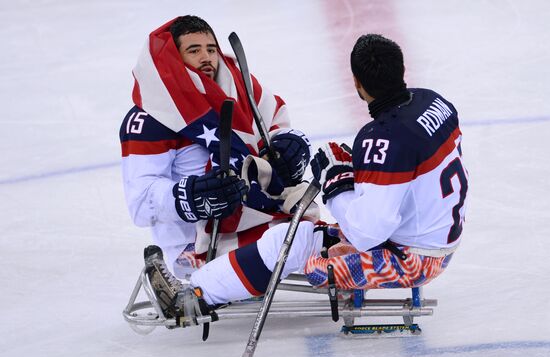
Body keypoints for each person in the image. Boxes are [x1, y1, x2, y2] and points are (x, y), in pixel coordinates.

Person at [143, 33, 468, 329]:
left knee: (313, 264)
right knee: (290, 237)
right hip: (424, 236)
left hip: (412, 258)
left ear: (356, 82)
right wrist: (357, 166)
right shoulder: (431, 101)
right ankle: (196, 293)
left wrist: (336, 180)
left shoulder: (383, 137)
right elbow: (410, 174)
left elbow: (366, 233)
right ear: (401, 69)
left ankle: (196, 297)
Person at [119, 15, 314, 318]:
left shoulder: (237, 85)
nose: (207, 57)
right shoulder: (149, 117)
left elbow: (274, 123)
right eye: (194, 50)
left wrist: (289, 145)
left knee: (311, 234)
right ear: (174, 56)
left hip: (257, 215)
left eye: (211, 48)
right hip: (193, 243)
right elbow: (141, 202)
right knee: (301, 240)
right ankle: (195, 292)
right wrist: (192, 197)